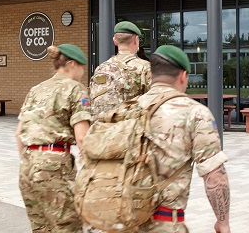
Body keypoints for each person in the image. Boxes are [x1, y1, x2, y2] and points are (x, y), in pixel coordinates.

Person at [139, 45, 231, 233]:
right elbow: (214, 175)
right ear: (183, 76)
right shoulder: (195, 113)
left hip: (122, 219)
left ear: (150, 75)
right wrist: (223, 222)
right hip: (164, 223)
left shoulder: (129, 108)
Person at [16, 43, 92, 233]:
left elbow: (19, 133)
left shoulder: (36, 89)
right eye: (82, 67)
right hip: (55, 168)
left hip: (27, 167)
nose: (83, 72)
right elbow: (82, 137)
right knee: (68, 227)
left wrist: (31, 160)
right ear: (72, 64)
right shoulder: (77, 89)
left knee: (41, 228)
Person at [89, 20, 151, 120]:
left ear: (115, 41)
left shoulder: (101, 68)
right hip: (129, 132)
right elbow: (153, 101)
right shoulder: (144, 67)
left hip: (101, 131)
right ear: (136, 40)